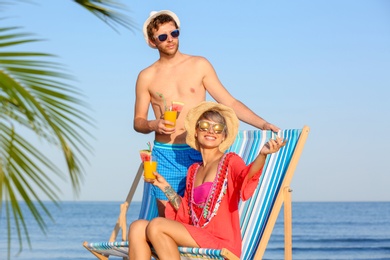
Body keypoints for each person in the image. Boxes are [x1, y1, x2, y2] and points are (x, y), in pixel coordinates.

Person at [134, 10, 280, 216]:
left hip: (200, 150)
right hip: (165, 152)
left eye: (174, 34)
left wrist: (263, 124)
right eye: (163, 37)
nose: (170, 40)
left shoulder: (199, 65)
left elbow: (229, 102)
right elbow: (138, 121)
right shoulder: (146, 76)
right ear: (152, 42)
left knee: (198, 214)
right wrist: (153, 124)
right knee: (167, 218)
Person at [128, 101, 286, 259]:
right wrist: (164, 186)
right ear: (196, 131)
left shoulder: (230, 161)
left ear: (223, 136)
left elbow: (247, 176)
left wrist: (262, 154)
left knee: (156, 225)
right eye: (204, 126)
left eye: (217, 128)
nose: (211, 131)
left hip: (221, 242)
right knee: (137, 227)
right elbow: (187, 213)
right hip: (197, 235)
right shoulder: (194, 170)